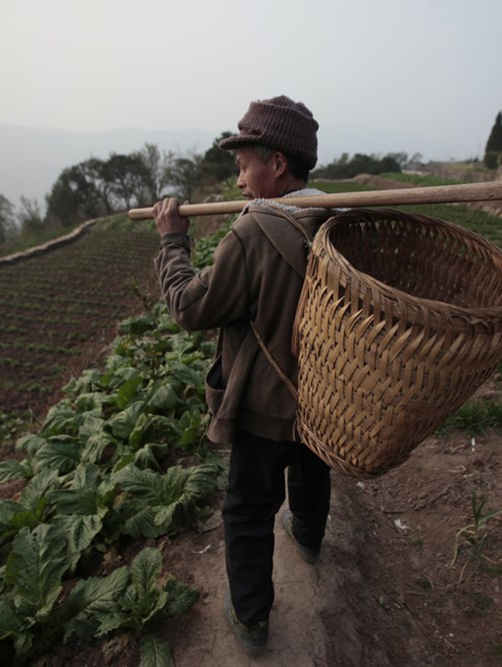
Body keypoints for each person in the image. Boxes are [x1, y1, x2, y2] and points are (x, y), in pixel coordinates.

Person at [152, 95, 333, 656]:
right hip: (326, 392)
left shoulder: (254, 233)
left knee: (248, 509)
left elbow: (190, 308)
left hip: (263, 400)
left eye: (243, 163)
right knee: (311, 468)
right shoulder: (337, 216)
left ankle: (252, 619)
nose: (238, 177)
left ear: (276, 164)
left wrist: (173, 242)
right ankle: (308, 537)